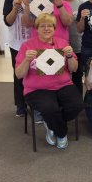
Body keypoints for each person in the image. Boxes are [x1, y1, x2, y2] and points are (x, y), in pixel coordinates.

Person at [15, 13, 85, 149]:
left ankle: (52, 124)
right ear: (36, 28)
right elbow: (19, 74)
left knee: (77, 105)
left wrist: (70, 56)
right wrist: (26, 60)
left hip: (63, 84)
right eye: (42, 26)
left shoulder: (62, 43)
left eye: (50, 26)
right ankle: (61, 133)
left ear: (54, 28)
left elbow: (74, 69)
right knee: (49, 108)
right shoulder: (27, 46)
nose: (46, 28)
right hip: (36, 89)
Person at [3, 0, 40, 117]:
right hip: (17, 43)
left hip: (34, 41)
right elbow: (8, 21)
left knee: (37, 72)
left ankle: (37, 104)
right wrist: (15, 7)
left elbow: (42, 19)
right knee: (19, 74)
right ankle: (21, 105)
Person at [61, 0, 84, 96]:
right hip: (60, 45)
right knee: (61, 75)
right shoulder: (57, 3)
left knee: (77, 75)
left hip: (77, 45)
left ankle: (78, 100)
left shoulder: (81, 3)